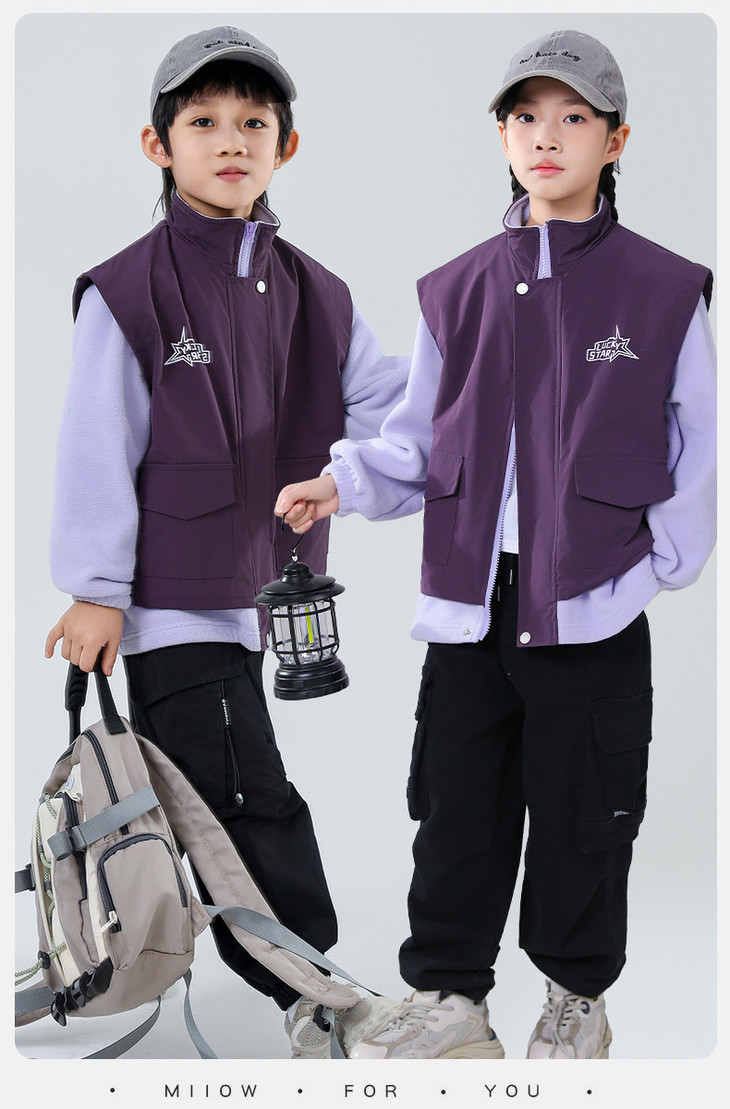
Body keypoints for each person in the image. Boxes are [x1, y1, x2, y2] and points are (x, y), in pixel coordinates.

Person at [274, 28, 716, 1059]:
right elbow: (420, 438)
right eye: (525, 116)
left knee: (585, 812)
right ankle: (451, 1000)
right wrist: (342, 482)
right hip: (472, 601)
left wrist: (658, 564)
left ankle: (575, 1000)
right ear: (503, 137)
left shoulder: (662, 289)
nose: (545, 136)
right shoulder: (456, 288)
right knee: (456, 805)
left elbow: (695, 438)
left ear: (615, 139)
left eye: (572, 117)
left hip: (593, 604)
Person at [44, 25, 407, 1059]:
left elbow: (397, 413)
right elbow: (95, 442)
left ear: (286, 146)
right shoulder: (128, 291)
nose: (231, 139)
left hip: (262, 600)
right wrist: (96, 587)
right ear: (157, 146)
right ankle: (319, 997)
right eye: (202, 121)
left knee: (219, 797)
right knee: (246, 801)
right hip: (169, 604)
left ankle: (291, 984)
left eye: (253, 121)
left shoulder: (315, 293)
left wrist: (372, 474)